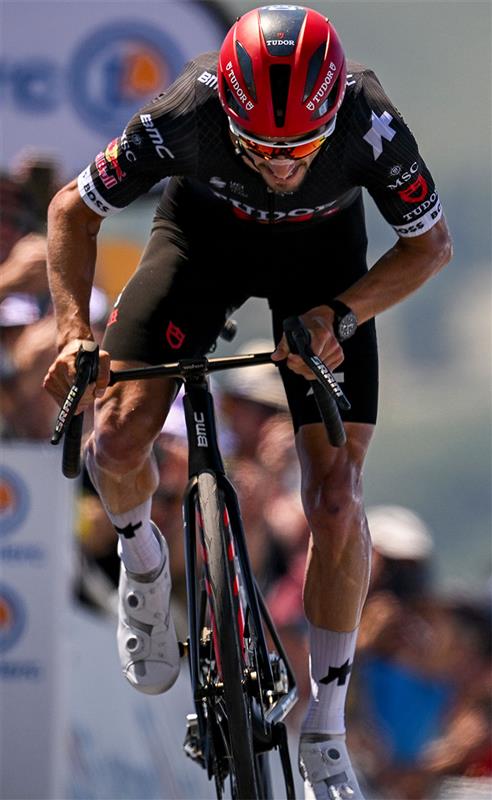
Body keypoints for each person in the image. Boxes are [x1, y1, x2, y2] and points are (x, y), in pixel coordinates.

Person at [43, 6, 453, 798]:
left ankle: (325, 727)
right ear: (228, 113)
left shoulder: (368, 121)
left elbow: (429, 247)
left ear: (331, 117)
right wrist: (71, 333)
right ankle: (141, 561)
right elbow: (71, 209)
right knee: (117, 437)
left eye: (299, 147)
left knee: (336, 497)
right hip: (201, 247)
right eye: (259, 146)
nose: (279, 164)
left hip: (323, 269)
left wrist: (341, 316)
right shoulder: (188, 110)